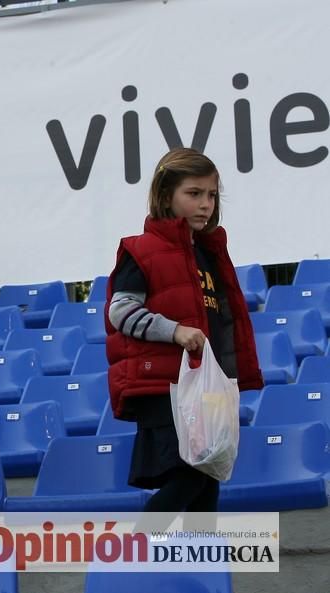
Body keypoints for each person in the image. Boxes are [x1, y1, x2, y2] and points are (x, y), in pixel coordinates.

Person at [105, 148, 262, 521]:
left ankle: (197, 571)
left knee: (207, 487)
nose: (205, 204)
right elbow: (120, 311)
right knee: (190, 478)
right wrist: (174, 331)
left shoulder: (208, 254)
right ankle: (132, 557)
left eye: (211, 195)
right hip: (164, 388)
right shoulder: (142, 250)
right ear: (165, 196)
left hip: (206, 389)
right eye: (194, 194)